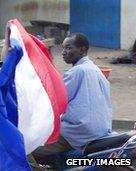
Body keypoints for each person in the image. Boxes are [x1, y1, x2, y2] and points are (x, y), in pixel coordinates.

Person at [31, 33, 112, 163]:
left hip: (78, 132)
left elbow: (54, 101)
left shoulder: (76, 72)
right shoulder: (96, 71)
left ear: (82, 49)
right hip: (100, 130)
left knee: (26, 147)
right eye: (63, 48)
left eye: (68, 48)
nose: (63, 52)